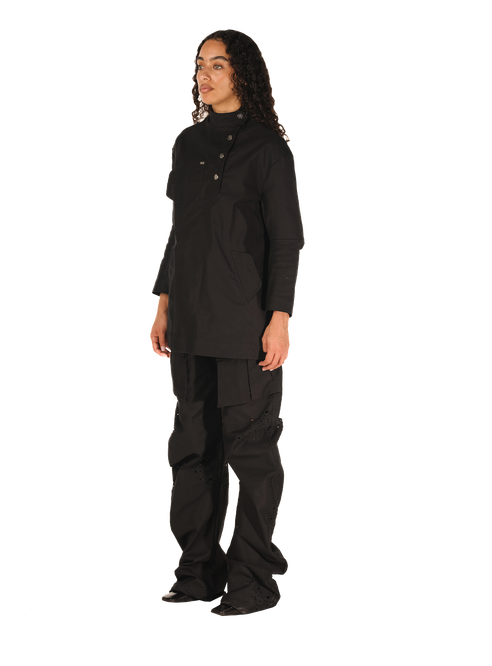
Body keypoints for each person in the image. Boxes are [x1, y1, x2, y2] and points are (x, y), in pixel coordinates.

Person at [149, 28, 305, 619]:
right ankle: (197, 571)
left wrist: (280, 317)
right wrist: (163, 302)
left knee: (252, 454)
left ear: (243, 72)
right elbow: (179, 232)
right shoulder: (187, 144)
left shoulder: (268, 148)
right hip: (191, 323)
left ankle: (253, 580)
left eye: (217, 64)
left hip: (245, 327)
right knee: (193, 450)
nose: (204, 75)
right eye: (200, 65)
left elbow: (287, 239)